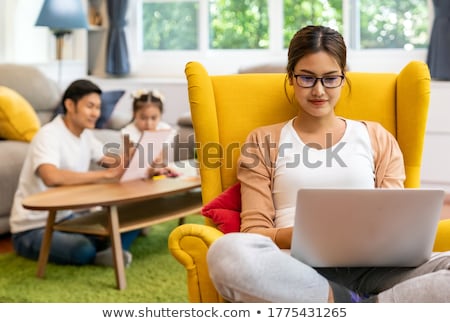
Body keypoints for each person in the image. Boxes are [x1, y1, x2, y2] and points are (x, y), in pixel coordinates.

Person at [206, 25, 450, 303]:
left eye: (330, 78)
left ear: (344, 78)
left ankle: (347, 306)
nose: (319, 90)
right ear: (291, 78)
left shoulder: (377, 137)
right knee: (227, 252)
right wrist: (300, 237)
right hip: (294, 268)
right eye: (307, 78)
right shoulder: (263, 140)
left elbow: (396, 222)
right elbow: (254, 232)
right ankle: (351, 301)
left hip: (376, 269)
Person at [10, 79, 140, 267]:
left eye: (98, 107)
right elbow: (51, 176)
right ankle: (105, 250)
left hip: (65, 219)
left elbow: (114, 161)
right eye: (90, 106)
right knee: (82, 249)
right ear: (70, 105)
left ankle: (109, 249)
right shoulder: (49, 135)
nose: (96, 113)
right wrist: (105, 175)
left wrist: (140, 156)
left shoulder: (85, 135)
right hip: (32, 228)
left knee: (129, 218)